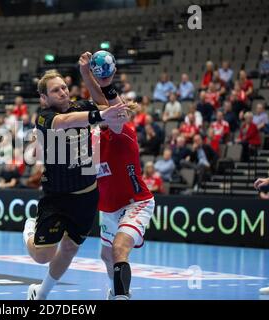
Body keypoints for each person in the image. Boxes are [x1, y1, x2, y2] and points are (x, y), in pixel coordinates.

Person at [22, 68, 128, 300]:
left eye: (63, 87)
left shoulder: (81, 106)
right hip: (57, 198)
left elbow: (106, 108)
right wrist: (100, 116)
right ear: (44, 98)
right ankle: (29, 229)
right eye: (55, 90)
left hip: (87, 196)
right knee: (43, 256)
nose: (62, 92)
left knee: (69, 249)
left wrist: (112, 105)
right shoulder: (44, 117)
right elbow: (65, 121)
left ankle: (39, 295)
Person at [79, 51, 155, 300]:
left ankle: (122, 296)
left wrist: (95, 81)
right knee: (105, 255)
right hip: (109, 208)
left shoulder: (123, 132)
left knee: (119, 249)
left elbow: (114, 110)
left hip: (136, 203)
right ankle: (116, 292)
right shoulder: (92, 140)